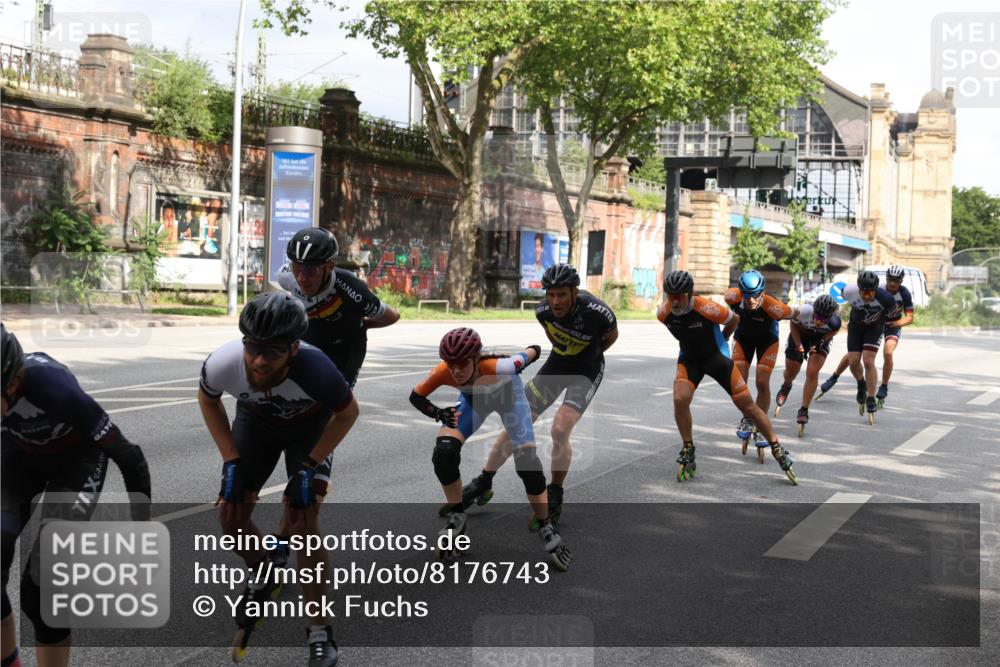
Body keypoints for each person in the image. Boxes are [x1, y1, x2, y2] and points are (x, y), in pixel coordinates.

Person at [198, 293, 358, 665]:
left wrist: (309, 467)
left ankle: (319, 630)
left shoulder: (317, 370)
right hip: (256, 425)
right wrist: (231, 461)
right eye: (253, 347)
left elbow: (348, 414)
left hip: (310, 429)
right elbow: (208, 400)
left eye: (271, 352)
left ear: (294, 348)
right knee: (231, 515)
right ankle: (266, 569)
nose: (258, 360)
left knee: (303, 521)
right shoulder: (224, 362)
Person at [2, 324, 151, 667]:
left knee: (40, 589)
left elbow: (129, 457)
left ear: (12, 381)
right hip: (19, 455)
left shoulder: (52, 388)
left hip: (77, 460)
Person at [408, 327, 573, 571]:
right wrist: (438, 413)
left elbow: (534, 351)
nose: (455, 370)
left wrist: (526, 354)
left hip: (510, 400)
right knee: (444, 452)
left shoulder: (501, 366)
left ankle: (546, 527)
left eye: (462, 363)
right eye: (450, 363)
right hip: (474, 403)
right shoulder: (446, 371)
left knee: (527, 463)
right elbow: (416, 396)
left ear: (476, 358)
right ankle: (457, 515)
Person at [474, 264, 617, 528]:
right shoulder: (542, 312)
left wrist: (590, 353)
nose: (555, 301)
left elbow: (611, 337)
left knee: (560, 429)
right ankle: (484, 479)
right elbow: (555, 338)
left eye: (561, 295)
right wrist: (569, 350)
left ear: (574, 292)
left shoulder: (598, 312)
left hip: (587, 369)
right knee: (518, 422)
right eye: (550, 295)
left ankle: (555, 491)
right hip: (557, 365)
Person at [657, 271, 796, 483]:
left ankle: (778, 448)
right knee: (679, 398)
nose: (675, 300)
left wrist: (723, 338)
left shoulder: (707, 308)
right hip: (689, 360)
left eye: (680, 295)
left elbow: (734, 319)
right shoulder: (663, 313)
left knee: (748, 406)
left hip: (717, 359)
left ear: (690, 293)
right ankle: (688, 447)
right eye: (671, 295)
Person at [723, 270, 802, 450]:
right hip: (743, 340)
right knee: (739, 381)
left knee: (762, 382)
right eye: (747, 295)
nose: (751, 300)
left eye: (756, 295)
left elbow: (797, 313)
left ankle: (760, 424)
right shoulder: (731, 297)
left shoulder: (774, 307)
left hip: (767, 342)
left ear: (763, 291)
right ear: (740, 292)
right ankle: (747, 417)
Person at [820, 265, 913, 406]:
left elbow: (902, 317)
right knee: (853, 361)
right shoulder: (849, 291)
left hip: (877, 327)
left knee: (870, 360)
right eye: (864, 292)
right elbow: (833, 303)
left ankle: (873, 395)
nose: (867, 296)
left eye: (871, 292)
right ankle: (859, 383)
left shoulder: (888, 298)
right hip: (856, 326)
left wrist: (890, 324)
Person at [778, 295, 842, 435]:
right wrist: (798, 344)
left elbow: (835, 331)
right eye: (817, 316)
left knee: (812, 371)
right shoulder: (804, 311)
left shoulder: (834, 322)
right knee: (791, 369)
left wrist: (822, 341)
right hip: (800, 335)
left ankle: (804, 410)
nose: (819, 321)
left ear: (830, 317)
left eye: (824, 319)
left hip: (819, 339)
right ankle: (787, 384)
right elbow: (793, 324)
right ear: (813, 311)